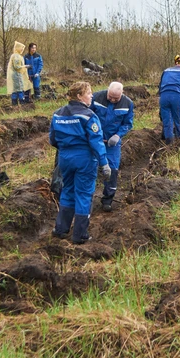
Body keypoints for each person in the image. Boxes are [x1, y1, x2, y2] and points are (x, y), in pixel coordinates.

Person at [50, 82, 111, 243]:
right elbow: (96, 142)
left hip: (65, 159)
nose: (92, 95)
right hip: (84, 159)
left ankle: (61, 229)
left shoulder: (58, 114)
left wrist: (66, 149)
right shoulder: (89, 116)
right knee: (83, 194)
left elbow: (53, 139)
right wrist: (104, 163)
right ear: (79, 96)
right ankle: (80, 235)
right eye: (89, 93)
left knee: (68, 190)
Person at [91, 81, 134, 212]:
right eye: (110, 97)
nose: (112, 100)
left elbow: (128, 123)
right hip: (94, 140)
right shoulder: (96, 97)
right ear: (107, 91)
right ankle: (87, 197)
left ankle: (108, 199)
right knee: (89, 166)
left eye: (116, 98)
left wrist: (118, 135)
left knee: (112, 170)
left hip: (112, 143)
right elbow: (87, 116)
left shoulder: (128, 104)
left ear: (122, 93)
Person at [6, 41, 33, 106]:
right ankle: (22, 103)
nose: (22, 50)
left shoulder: (16, 55)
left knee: (15, 90)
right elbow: (17, 67)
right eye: (21, 48)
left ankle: (14, 104)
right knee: (19, 89)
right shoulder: (16, 56)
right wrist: (26, 66)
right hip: (17, 75)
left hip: (17, 75)